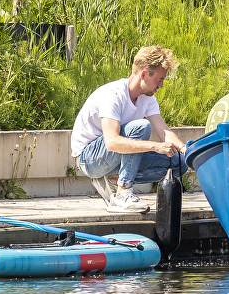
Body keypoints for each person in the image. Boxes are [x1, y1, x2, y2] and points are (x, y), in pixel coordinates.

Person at [71, 45, 189, 213]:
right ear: (144, 74)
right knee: (141, 127)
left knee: (179, 163)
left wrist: (186, 150)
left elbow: (164, 132)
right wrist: (155, 146)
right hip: (88, 158)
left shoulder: (148, 99)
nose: (161, 86)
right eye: (159, 79)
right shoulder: (113, 95)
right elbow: (111, 142)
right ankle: (122, 194)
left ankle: (114, 178)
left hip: (114, 157)